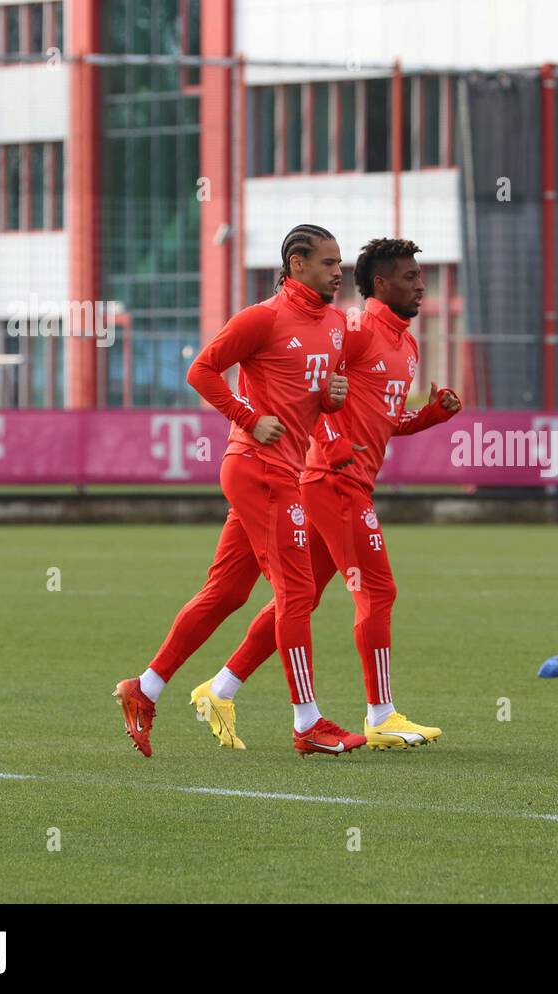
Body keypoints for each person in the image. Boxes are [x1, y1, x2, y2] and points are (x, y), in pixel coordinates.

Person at [190, 237, 462, 752]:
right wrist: (331, 442)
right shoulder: (354, 330)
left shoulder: (406, 344)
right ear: (380, 284)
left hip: (339, 482)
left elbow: (383, 422)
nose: (421, 284)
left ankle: (220, 688)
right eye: (409, 276)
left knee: (301, 597)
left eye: (420, 275)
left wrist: (428, 417)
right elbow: (314, 401)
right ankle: (380, 715)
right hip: (330, 482)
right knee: (377, 592)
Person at [113, 223, 367, 758]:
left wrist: (332, 398)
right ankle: (307, 724)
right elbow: (201, 371)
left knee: (228, 593)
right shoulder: (263, 317)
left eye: (339, 262)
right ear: (296, 264)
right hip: (259, 468)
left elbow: (314, 397)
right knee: (297, 595)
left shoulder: (338, 324)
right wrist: (247, 417)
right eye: (328, 262)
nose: (338, 271)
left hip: (277, 471)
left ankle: (145, 688)